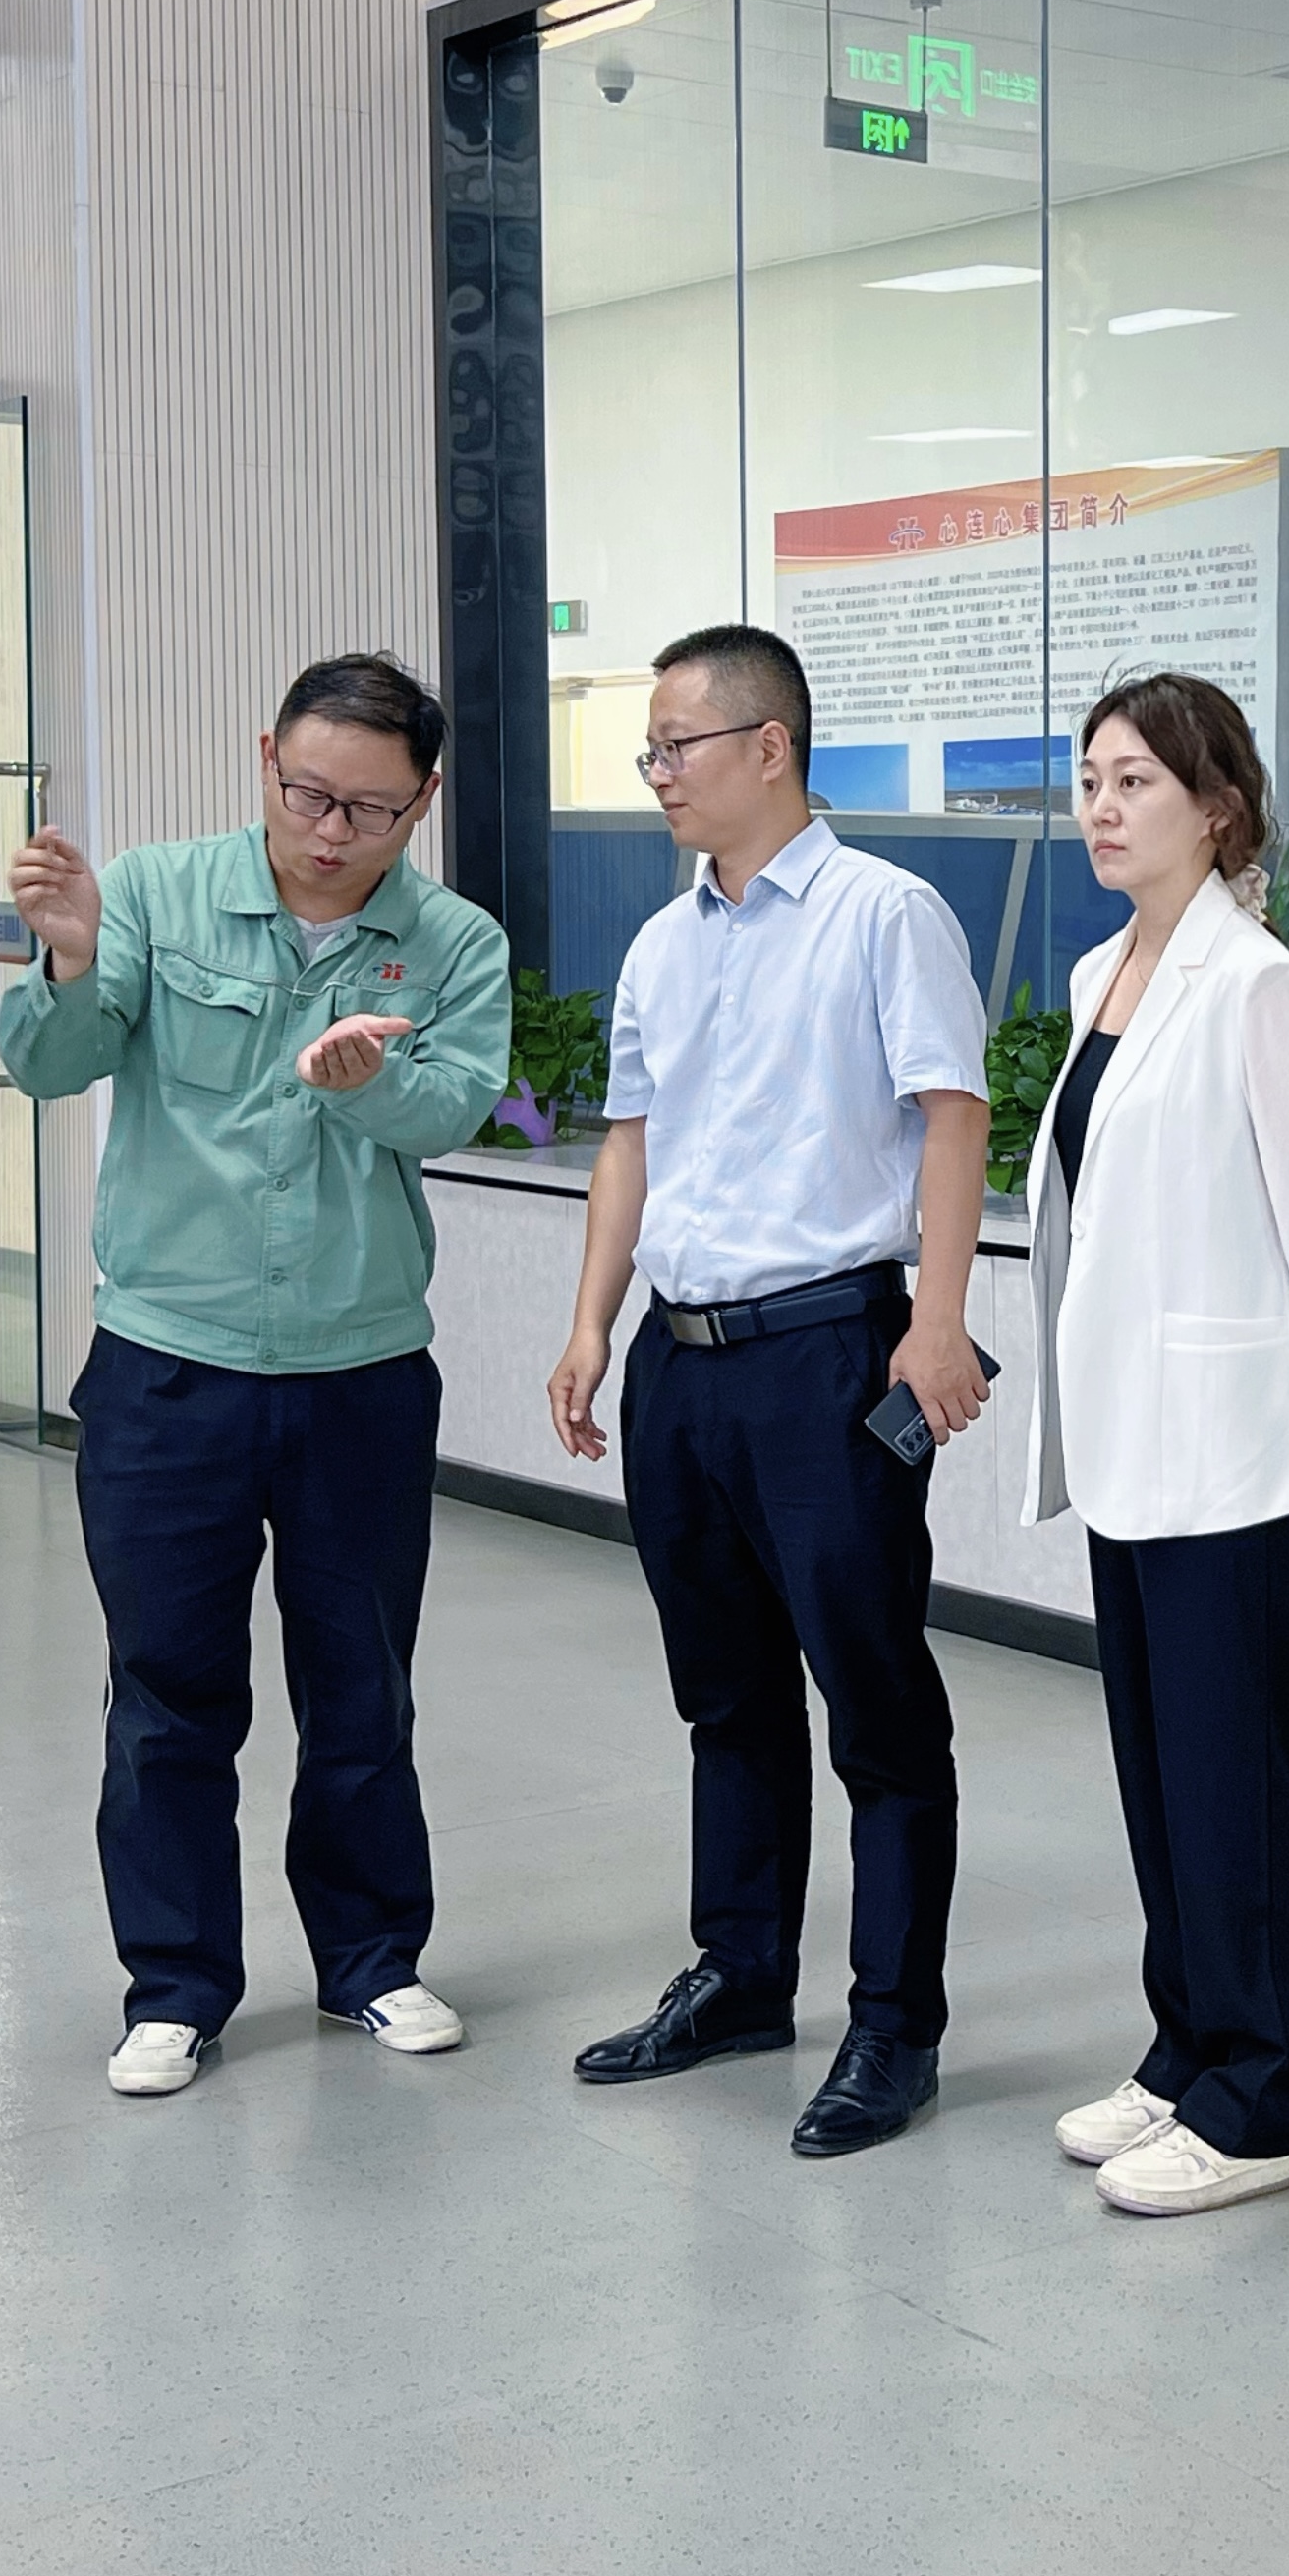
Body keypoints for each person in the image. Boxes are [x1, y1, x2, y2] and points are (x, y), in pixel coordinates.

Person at [1, 652, 512, 2098]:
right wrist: (72, 961)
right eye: (308, 793)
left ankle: (373, 1962)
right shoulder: (156, 893)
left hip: (360, 1371)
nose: (332, 830)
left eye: (371, 808)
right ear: (266, 756)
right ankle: (174, 1987)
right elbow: (51, 1065)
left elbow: (457, 1107)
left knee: (361, 1686)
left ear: (422, 802)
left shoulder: (453, 942)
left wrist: (371, 1085)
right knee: (167, 1693)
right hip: (171, 1365)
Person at [548, 622, 992, 2159]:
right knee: (724, 1694)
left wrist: (940, 1322)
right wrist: (593, 1322)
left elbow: (953, 1115)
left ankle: (895, 2024)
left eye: (677, 745)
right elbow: (630, 1142)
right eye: (652, 750)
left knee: (875, 1700)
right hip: (681, 1364)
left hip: (827, 1352)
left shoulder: (885, 914)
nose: (658, 772)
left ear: (770, 747)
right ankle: (741, 1975)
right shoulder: (662, 945)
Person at [1018, 673, 1289, 2221]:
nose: (1104, 808)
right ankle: (1183, 2050)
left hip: (1227, 1442)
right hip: (1129, 1432)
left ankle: (1253, 2099)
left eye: (1137, 783)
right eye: (1092, 780)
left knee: (1233, 1778)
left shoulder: (1254, 982)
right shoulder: (1108, 967)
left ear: (1217, 807)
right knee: (1161, 1770)